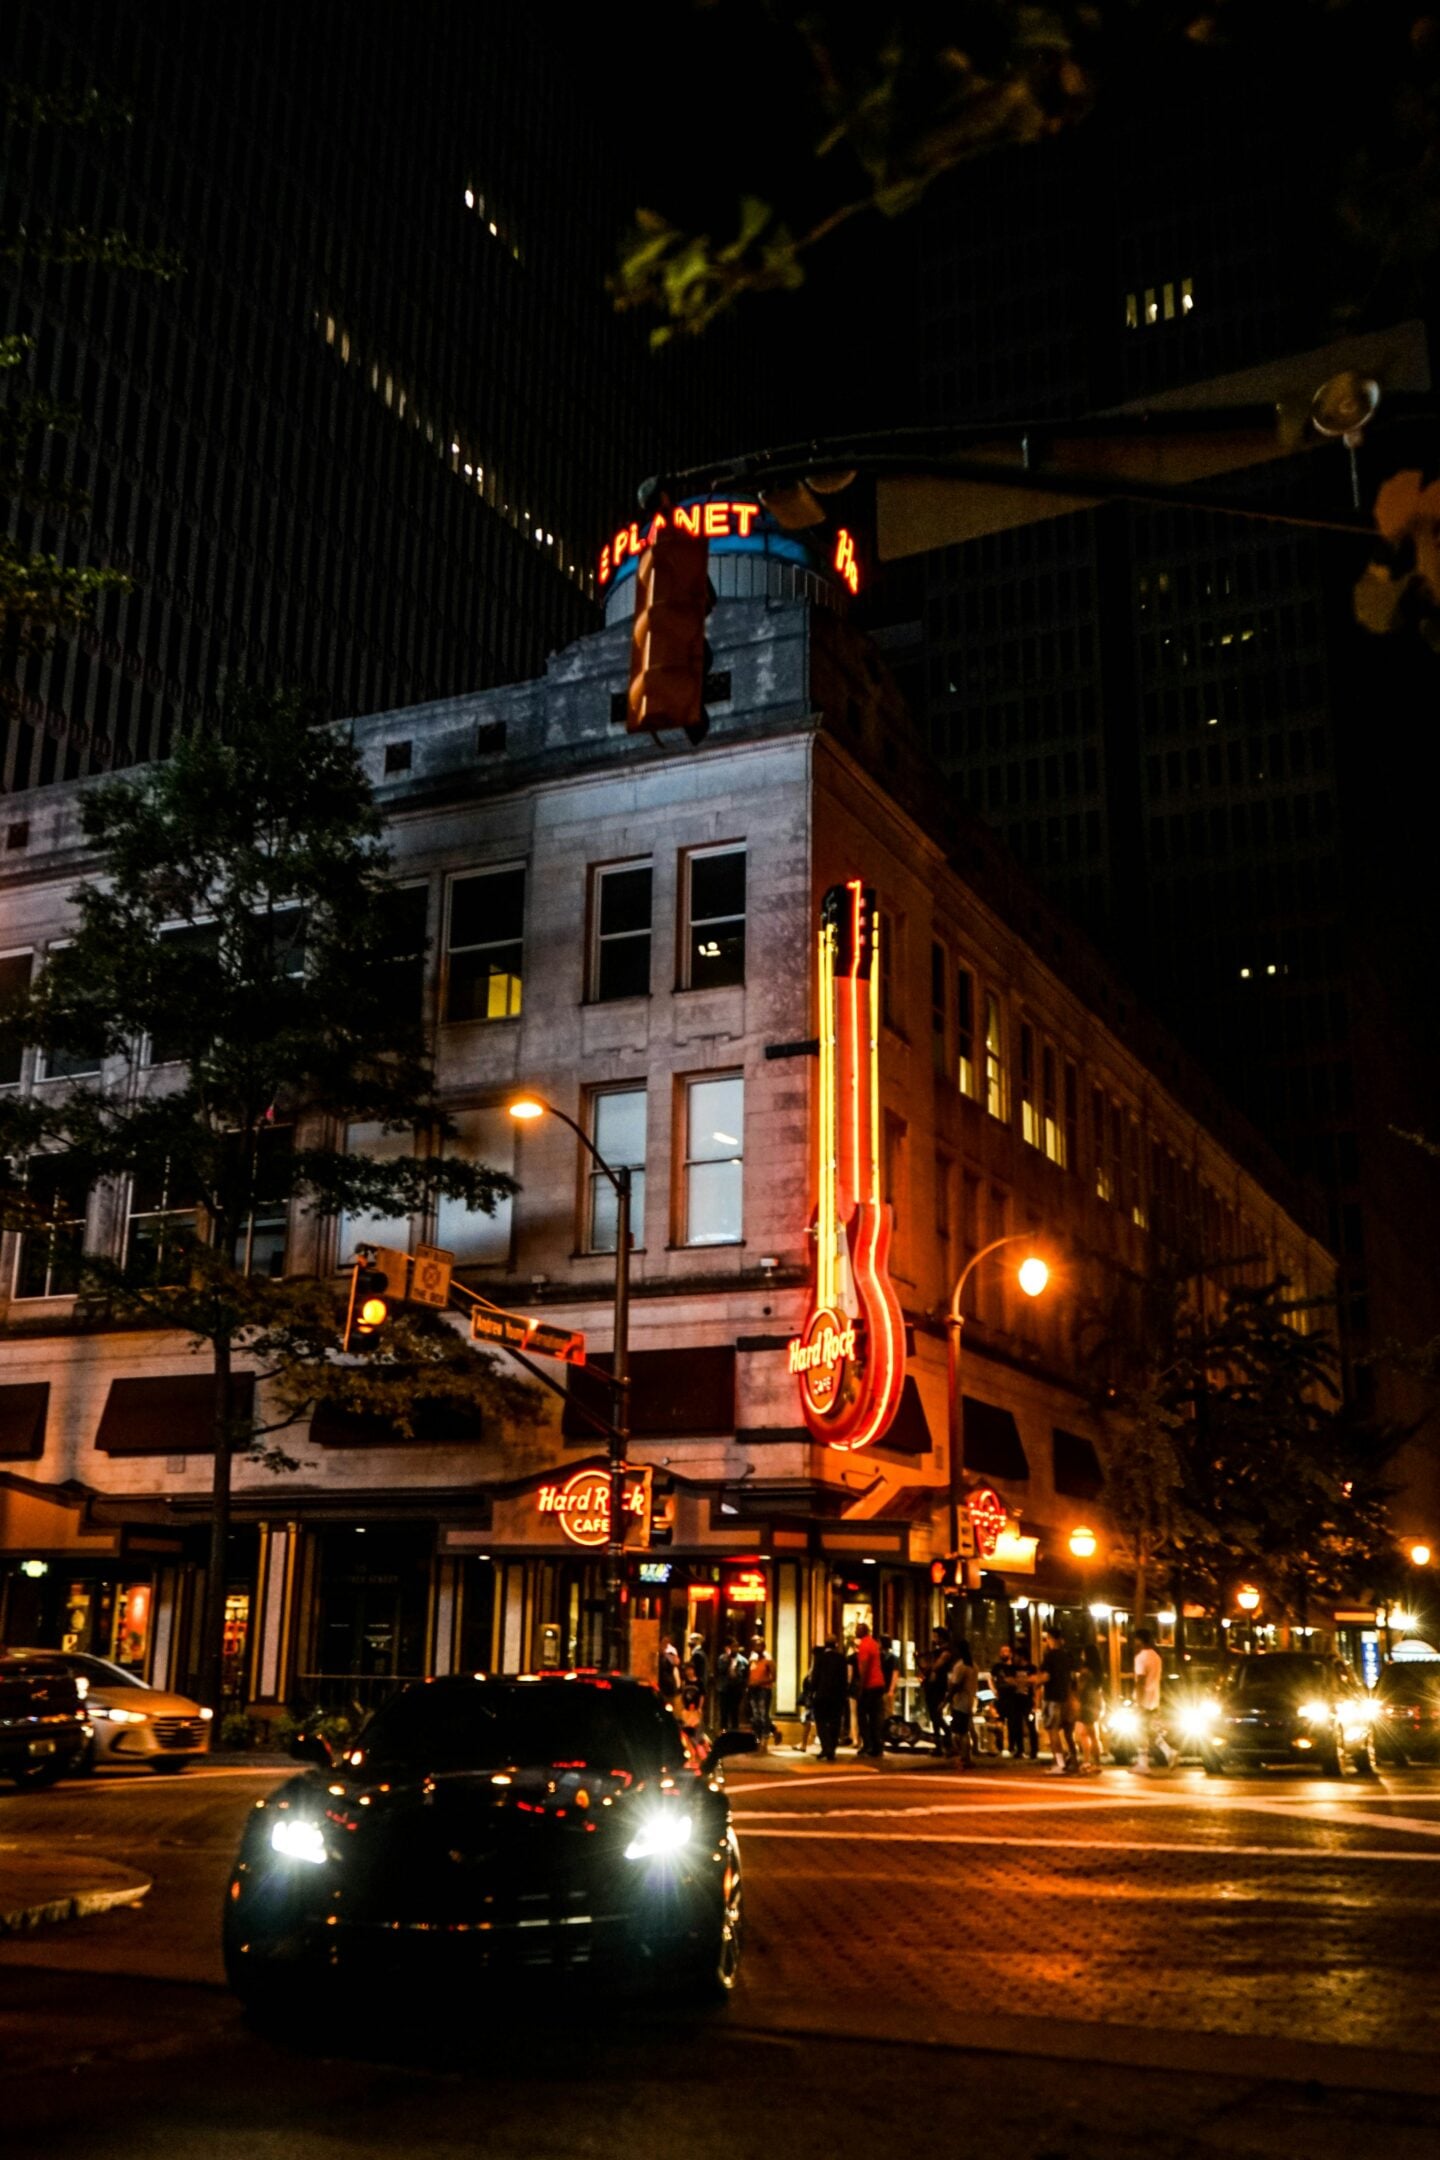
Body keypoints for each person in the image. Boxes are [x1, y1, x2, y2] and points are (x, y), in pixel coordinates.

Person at [1040, 1624, 1080, 1775]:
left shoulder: (1050, 1656)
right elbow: (1073, 1676)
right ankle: (1074, 1761)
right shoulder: (1067, 1656)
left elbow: (1045, 1676)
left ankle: (1060, 1763)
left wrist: (1033, 1682)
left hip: (1052, 1697)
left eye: (1047, 1639)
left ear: (1051, 1639)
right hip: (1066, 1697)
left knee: (1053, 1730)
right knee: (1069, 1732)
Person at [1132, 1627, 1168, 1773]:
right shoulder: (1156, 1656)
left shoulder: (1141, 1657)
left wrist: (1138, 1702)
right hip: (1155, 1698)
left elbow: (1140, 1681)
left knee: (1140, 1731)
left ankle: (1143, 1763)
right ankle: (1168, 1751)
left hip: (1144, 1699)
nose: (1134, 1642)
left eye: (1135, 1639)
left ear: (1140, 1640)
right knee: (1150, 1731)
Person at [807, 1637, 849, 1760]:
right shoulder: (841, 1659)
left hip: (822, 1695)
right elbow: (844, 1678)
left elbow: (815, 1676)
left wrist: (812, 1691)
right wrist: (844, 1694)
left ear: (825, 1644)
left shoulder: (820, 1658)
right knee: (835, 1722)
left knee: (821, 1722)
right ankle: (832, 1748)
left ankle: (826, 1747)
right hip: (837, 1695)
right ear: (836, 1645)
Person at [993, 1642, 1036, 1760]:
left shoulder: (1031, 1668)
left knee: (1030, 1725)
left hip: (1027, 1699)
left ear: (1022, 1656)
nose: (1014, 1658)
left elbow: (1035, 1683)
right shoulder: (1013, 1668)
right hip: (1016, 1700)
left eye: (1016, 1656)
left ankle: (1033, 1750)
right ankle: (1019, 1749)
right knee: (1016, 1725)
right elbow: (1008, 1679)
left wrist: (1036, 1699)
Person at [853, 1621, 887, 1759]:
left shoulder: (864, 1645)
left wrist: (861, 1687)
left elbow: (864, 1667)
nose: (855, 1631)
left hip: (870, 1685)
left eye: (857, 1629)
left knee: (862, 1715)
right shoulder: (873, 1643)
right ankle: (877, 1746)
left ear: (863, 1631)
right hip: (879, 1683)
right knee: (875, 1716)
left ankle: (868, 1745)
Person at [947, 1636, 979, 1770]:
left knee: (959, 1732)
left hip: (960, 1701)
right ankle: (967, 1757)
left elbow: (955, 1686)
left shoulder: (961, 1666)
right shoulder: (974, 1665)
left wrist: (946, 1701)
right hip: (969, 1700)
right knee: (965, 1730)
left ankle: (963, 1757)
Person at [920, 1628, 955, 1755]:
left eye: (935, 1636)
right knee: (934, 1716)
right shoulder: (937, 1651)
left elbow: (936, 1666)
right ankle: (939, 1745)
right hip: (932, 1684)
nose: (933, 1638)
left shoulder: (945, 1652)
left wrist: (928, 1665)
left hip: (938, 1685)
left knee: (936, 1714)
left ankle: (947, 1736)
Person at [1075, 1641, 1105, 1772]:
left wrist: (1076, 1697)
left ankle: (1094, 1762)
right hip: (1096, 1700)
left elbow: (1080, 1688)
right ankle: (1088, 1761)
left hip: (1087, 1701)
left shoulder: (1085, 1671)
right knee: (1086, 1732)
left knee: (1089, 1733)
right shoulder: (1098, 1670)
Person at [746, 1639, 776, 1752]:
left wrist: (759, 1682)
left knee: (763, 1715)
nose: (757, 1648)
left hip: (764, 1690)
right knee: (755, 1716)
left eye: (759, 1646)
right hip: (753, 1690)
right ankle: (757, 1739)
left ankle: (764, 1739)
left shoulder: (768, 1661)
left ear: (763, 1647)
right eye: (755, 1646)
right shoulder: (752, 1661)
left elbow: (773, 1677)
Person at [716, 1639, 748, 1731]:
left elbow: (745, 1677)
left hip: (736, 1690)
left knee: (734, 1713)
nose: (734, 1649)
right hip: (724, 1689)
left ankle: (734, 1734)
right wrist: (728, 1662)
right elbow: (720, 1671)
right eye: (732, 1647)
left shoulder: (743, 1661)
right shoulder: (722, 1658)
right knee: (723, 1713)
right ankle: (723, 1733)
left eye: (736, 1647)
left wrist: (743, 1687)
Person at [657, 1635, 682, 1706]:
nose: (665, 1645)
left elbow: (676, 1662)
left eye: (667, 1642)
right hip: (660, 1685)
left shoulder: (669, 1653)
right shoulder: (657, 1655)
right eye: (663, 1642)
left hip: (669, 1685)